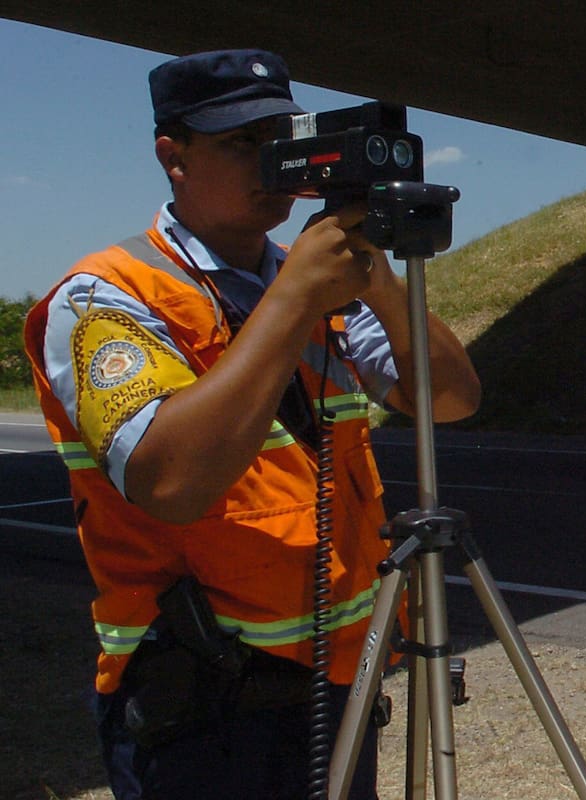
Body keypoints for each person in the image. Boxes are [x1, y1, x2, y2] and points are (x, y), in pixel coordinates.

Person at [23, 49, 480, 800]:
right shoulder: (107, 296)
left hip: (337, 678)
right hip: (202, 698)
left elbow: (452, 400)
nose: (270, 162)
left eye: (279, 137)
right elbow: (169, 482)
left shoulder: (319, 279)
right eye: (241, 143)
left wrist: (381, 280)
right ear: (173, 156)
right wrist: (294, 298)